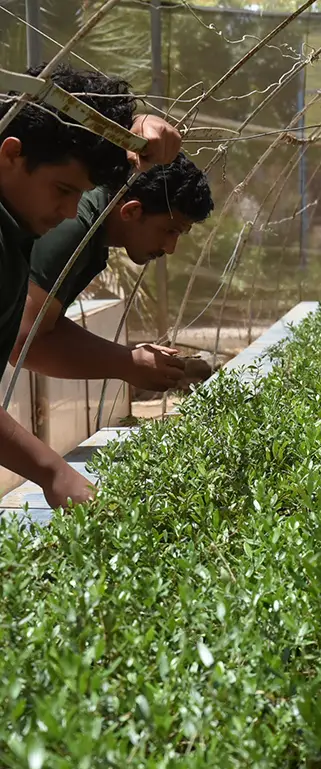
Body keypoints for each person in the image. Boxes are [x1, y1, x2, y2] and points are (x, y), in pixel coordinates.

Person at [0, 63, 180, 508]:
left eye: (80, 194)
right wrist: (53, 471)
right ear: (10, 154)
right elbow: (28, 340)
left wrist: (132, 130)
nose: (68, 211)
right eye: (62, 189)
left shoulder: (16, 231)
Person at [15, 153, 214, 391]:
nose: (170, 248)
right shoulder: (74, 227)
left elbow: (44, 325)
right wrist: (127, 363)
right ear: (131, 211)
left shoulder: (93, 235)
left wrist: (130, 358)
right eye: (169, 231)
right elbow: (24, 343)